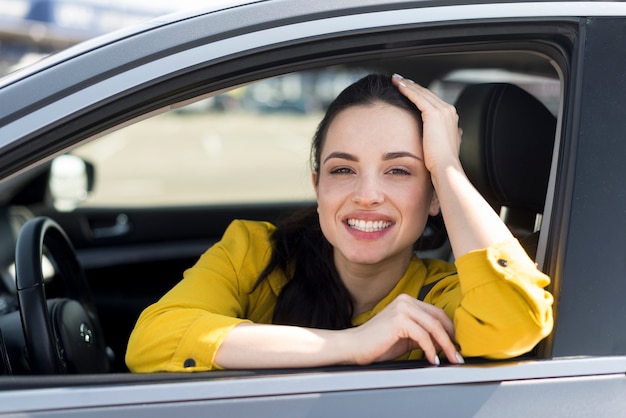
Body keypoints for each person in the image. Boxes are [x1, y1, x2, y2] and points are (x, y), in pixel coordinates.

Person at [125, 73, 554, 372]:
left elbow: (514, 323)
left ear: (435, 197)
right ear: (318, 188)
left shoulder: (442, 295)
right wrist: (352, 345)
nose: (366, 194)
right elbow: (153, 340)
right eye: (342, 170)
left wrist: (446, 166)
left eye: (399, 171)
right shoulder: (254, 252)